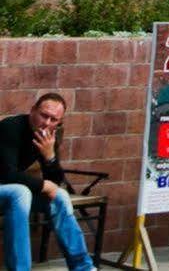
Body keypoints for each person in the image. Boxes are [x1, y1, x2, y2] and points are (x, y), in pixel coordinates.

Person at [0, 92, 94, 271]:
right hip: (5, 186)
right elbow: (7, 173)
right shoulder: (10, 128)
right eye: (44, 115)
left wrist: (50, 156)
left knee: (59, 196)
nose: (47, 123)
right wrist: (43, 185)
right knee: (21, 192)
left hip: (7, 192)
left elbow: (54, 183)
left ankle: (83, 268)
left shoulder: (48, 136)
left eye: (54, 120)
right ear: (33, 110)